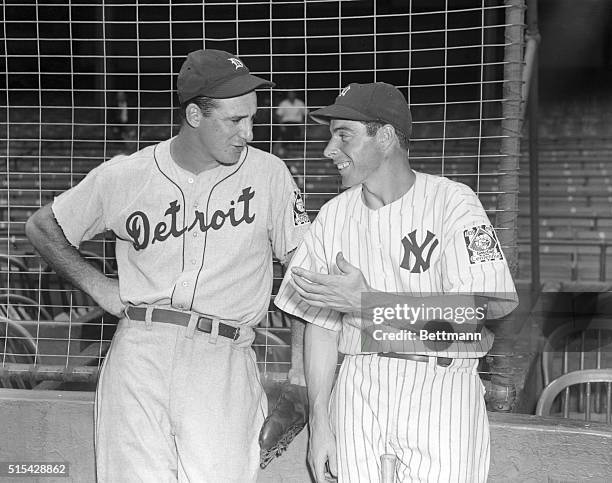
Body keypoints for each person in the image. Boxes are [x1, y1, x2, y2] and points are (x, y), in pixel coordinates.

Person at [25, 49, 311, 482]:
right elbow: (43, 226)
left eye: (251, 118)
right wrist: (98, 286)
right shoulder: (129, 174)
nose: (248, 133)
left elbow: (302, 270)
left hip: (224, 356)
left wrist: (298, 376)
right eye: (235, 120)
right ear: (194, 115)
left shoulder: (269, 174)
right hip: (140, 350)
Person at [274, 82, 518, 482]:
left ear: (385, 136)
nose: (329, 150)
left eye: (343, 135)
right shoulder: (334, 216)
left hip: (441, 385)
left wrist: (368, 303)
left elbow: (484, 311)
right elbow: (319, 325)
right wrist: (320, 422)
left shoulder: (453, 202)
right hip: (358, 386)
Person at [275, 90, 308, 155]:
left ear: (295, 94)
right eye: (289, 94)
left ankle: (296, 151)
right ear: (287, 95)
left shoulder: (300, 103)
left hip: (297, 123)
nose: (291, 95)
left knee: (297, 135)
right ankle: (285, 150)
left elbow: (306, 114)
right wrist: (281, 126)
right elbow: (279, 115)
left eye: (292, 94)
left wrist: (303, 125)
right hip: (286, 123)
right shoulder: (283, 103)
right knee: (286, 134)